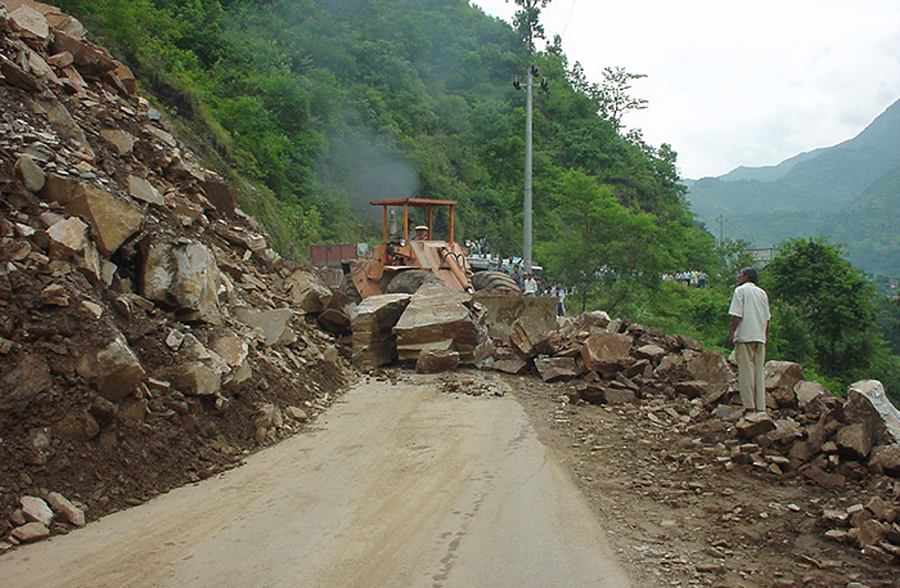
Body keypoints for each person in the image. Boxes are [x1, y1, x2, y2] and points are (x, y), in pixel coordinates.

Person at [728, 267, 771, 414]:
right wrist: (765, 336)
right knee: (759, 372)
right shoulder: (762, 293)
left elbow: (737, 315)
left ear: (746, 277)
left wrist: (733, 331)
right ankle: (761, 406)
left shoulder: (740, 291)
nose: (738, 276)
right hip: (759, 336)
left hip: (745, 335)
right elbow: (767, 319)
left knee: (746, 372)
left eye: (740, 274)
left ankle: (749, 405)